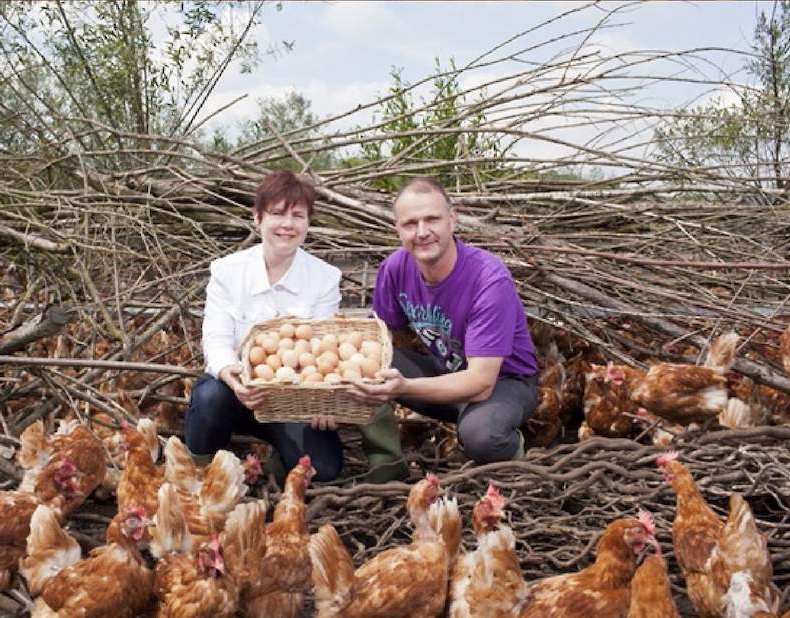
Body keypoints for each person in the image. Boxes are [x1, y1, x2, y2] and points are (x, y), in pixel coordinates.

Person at [350, 176, 539, 463]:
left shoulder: (488, 278)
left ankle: (510, 450)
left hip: (504, 382)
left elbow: (481, 382)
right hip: (445, 371)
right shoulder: (395, 269)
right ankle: (386, 467)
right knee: (365, 362)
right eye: (410, 224)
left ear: (452, 220)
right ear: (397, 229)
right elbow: (377, 335)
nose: (422, 232)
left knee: (481, 434)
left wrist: (405, 387)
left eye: (432, 219)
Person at [184, 170, 344, 481]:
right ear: (257, 217)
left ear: (308, 223)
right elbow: (216, 341)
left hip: (293, 402)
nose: (288, 224)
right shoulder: (227, 272)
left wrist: (325, 397)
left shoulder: (325, 278)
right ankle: (199, 471)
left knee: (324, 470)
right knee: (209, 397)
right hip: (236, 392)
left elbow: (325, 352)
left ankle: (275, 461)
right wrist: (234, 378)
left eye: (298, 215)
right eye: (277, 213)